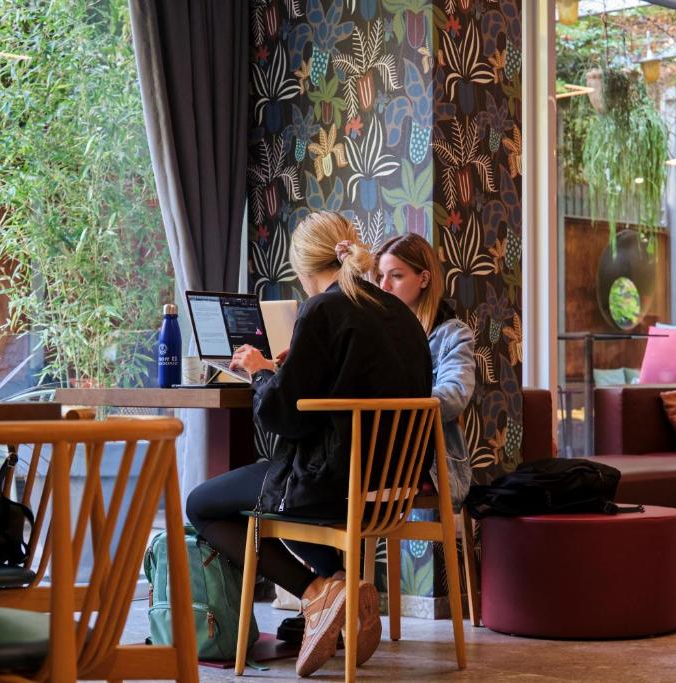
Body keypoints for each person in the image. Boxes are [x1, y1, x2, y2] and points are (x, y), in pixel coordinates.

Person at [186, 212, 432, 677]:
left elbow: (284, 417)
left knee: (202, 505)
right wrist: (294, 365)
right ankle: (341, 583)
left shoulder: (321, 309)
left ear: (300, 269)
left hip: (333, 483)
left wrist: (260, 370)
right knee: (275, 493)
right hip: (390, 487)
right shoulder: (399, 312)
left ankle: (317, 590)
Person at [374, 233, 476, 510]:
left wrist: (396, 401)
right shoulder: (378, 334)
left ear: (424, 279)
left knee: (329, 479)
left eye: (395, 275)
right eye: (379, 277)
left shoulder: (453, 335)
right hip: (381, 450)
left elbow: (454, 396)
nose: (384, 286)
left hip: (425, 459)